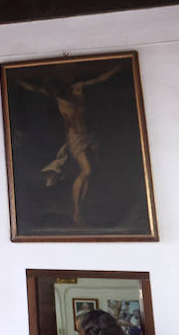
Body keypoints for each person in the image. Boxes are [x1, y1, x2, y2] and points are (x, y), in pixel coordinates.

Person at [16, 65, 119, 226]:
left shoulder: (77, 89)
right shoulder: (53, 95)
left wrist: (117, 67)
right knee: (87, 170)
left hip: (90, 136)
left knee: (92, 173)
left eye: (57, 90)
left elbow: (101, 78)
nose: (55, 94)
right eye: (53, 92)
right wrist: (15, 79)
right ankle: (77, 212)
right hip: (75, 138)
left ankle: (81, 210)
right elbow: (33, 88)